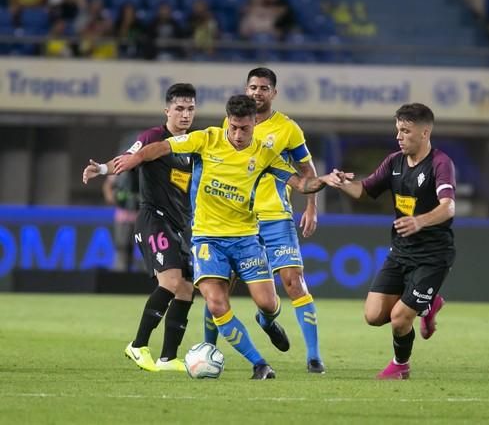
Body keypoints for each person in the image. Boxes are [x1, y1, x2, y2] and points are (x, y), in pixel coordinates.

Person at [112, 94, 337, 379]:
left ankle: (267, 322)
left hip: (245, 238)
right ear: (227, 122)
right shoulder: (207, 139)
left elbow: (300, 183)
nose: (238, 134)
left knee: (268, 303)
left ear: (255, 124)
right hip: (207, 239)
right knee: (216, 303)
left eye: (244, 128)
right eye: (233, 127)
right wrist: (135, 157)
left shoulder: (265, 154)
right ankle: (259, 364)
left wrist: (324, 181)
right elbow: (162, 146)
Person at [205, 67, 325, 374]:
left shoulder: (288, 129)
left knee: (293, 281)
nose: (257, 92)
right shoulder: (232, 124)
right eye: (253, 87)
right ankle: (209, 351)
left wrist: (311, 207)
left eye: (264, 88)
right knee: (218, 285)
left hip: (276, 217)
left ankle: (313, 357)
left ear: (274, 93)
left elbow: (307, 171)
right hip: (236, 219)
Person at [327, 103, 456, 380]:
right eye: (398, 129)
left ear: (424, 133)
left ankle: (400, 365)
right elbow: (364, 190)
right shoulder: (394, 161)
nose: (399, 136)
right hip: (400, 252)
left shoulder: (440, 163)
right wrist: (340, 182)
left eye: (406, 131)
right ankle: (426, 303)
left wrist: (420, 220)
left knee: (399, 319)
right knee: (373, 316)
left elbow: (448, 207)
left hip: (433, 256)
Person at [82, 83, 197, 372]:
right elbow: (129, 157)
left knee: (186, 288)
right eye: (179, 109)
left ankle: (168, 358)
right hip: (152, 218)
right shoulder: (152, 137)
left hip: (179, 224)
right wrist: (104, 169)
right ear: (167, 110)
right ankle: (137, 345)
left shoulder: (194, 143)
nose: (185, 115)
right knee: (170, 282)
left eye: (190, 109)